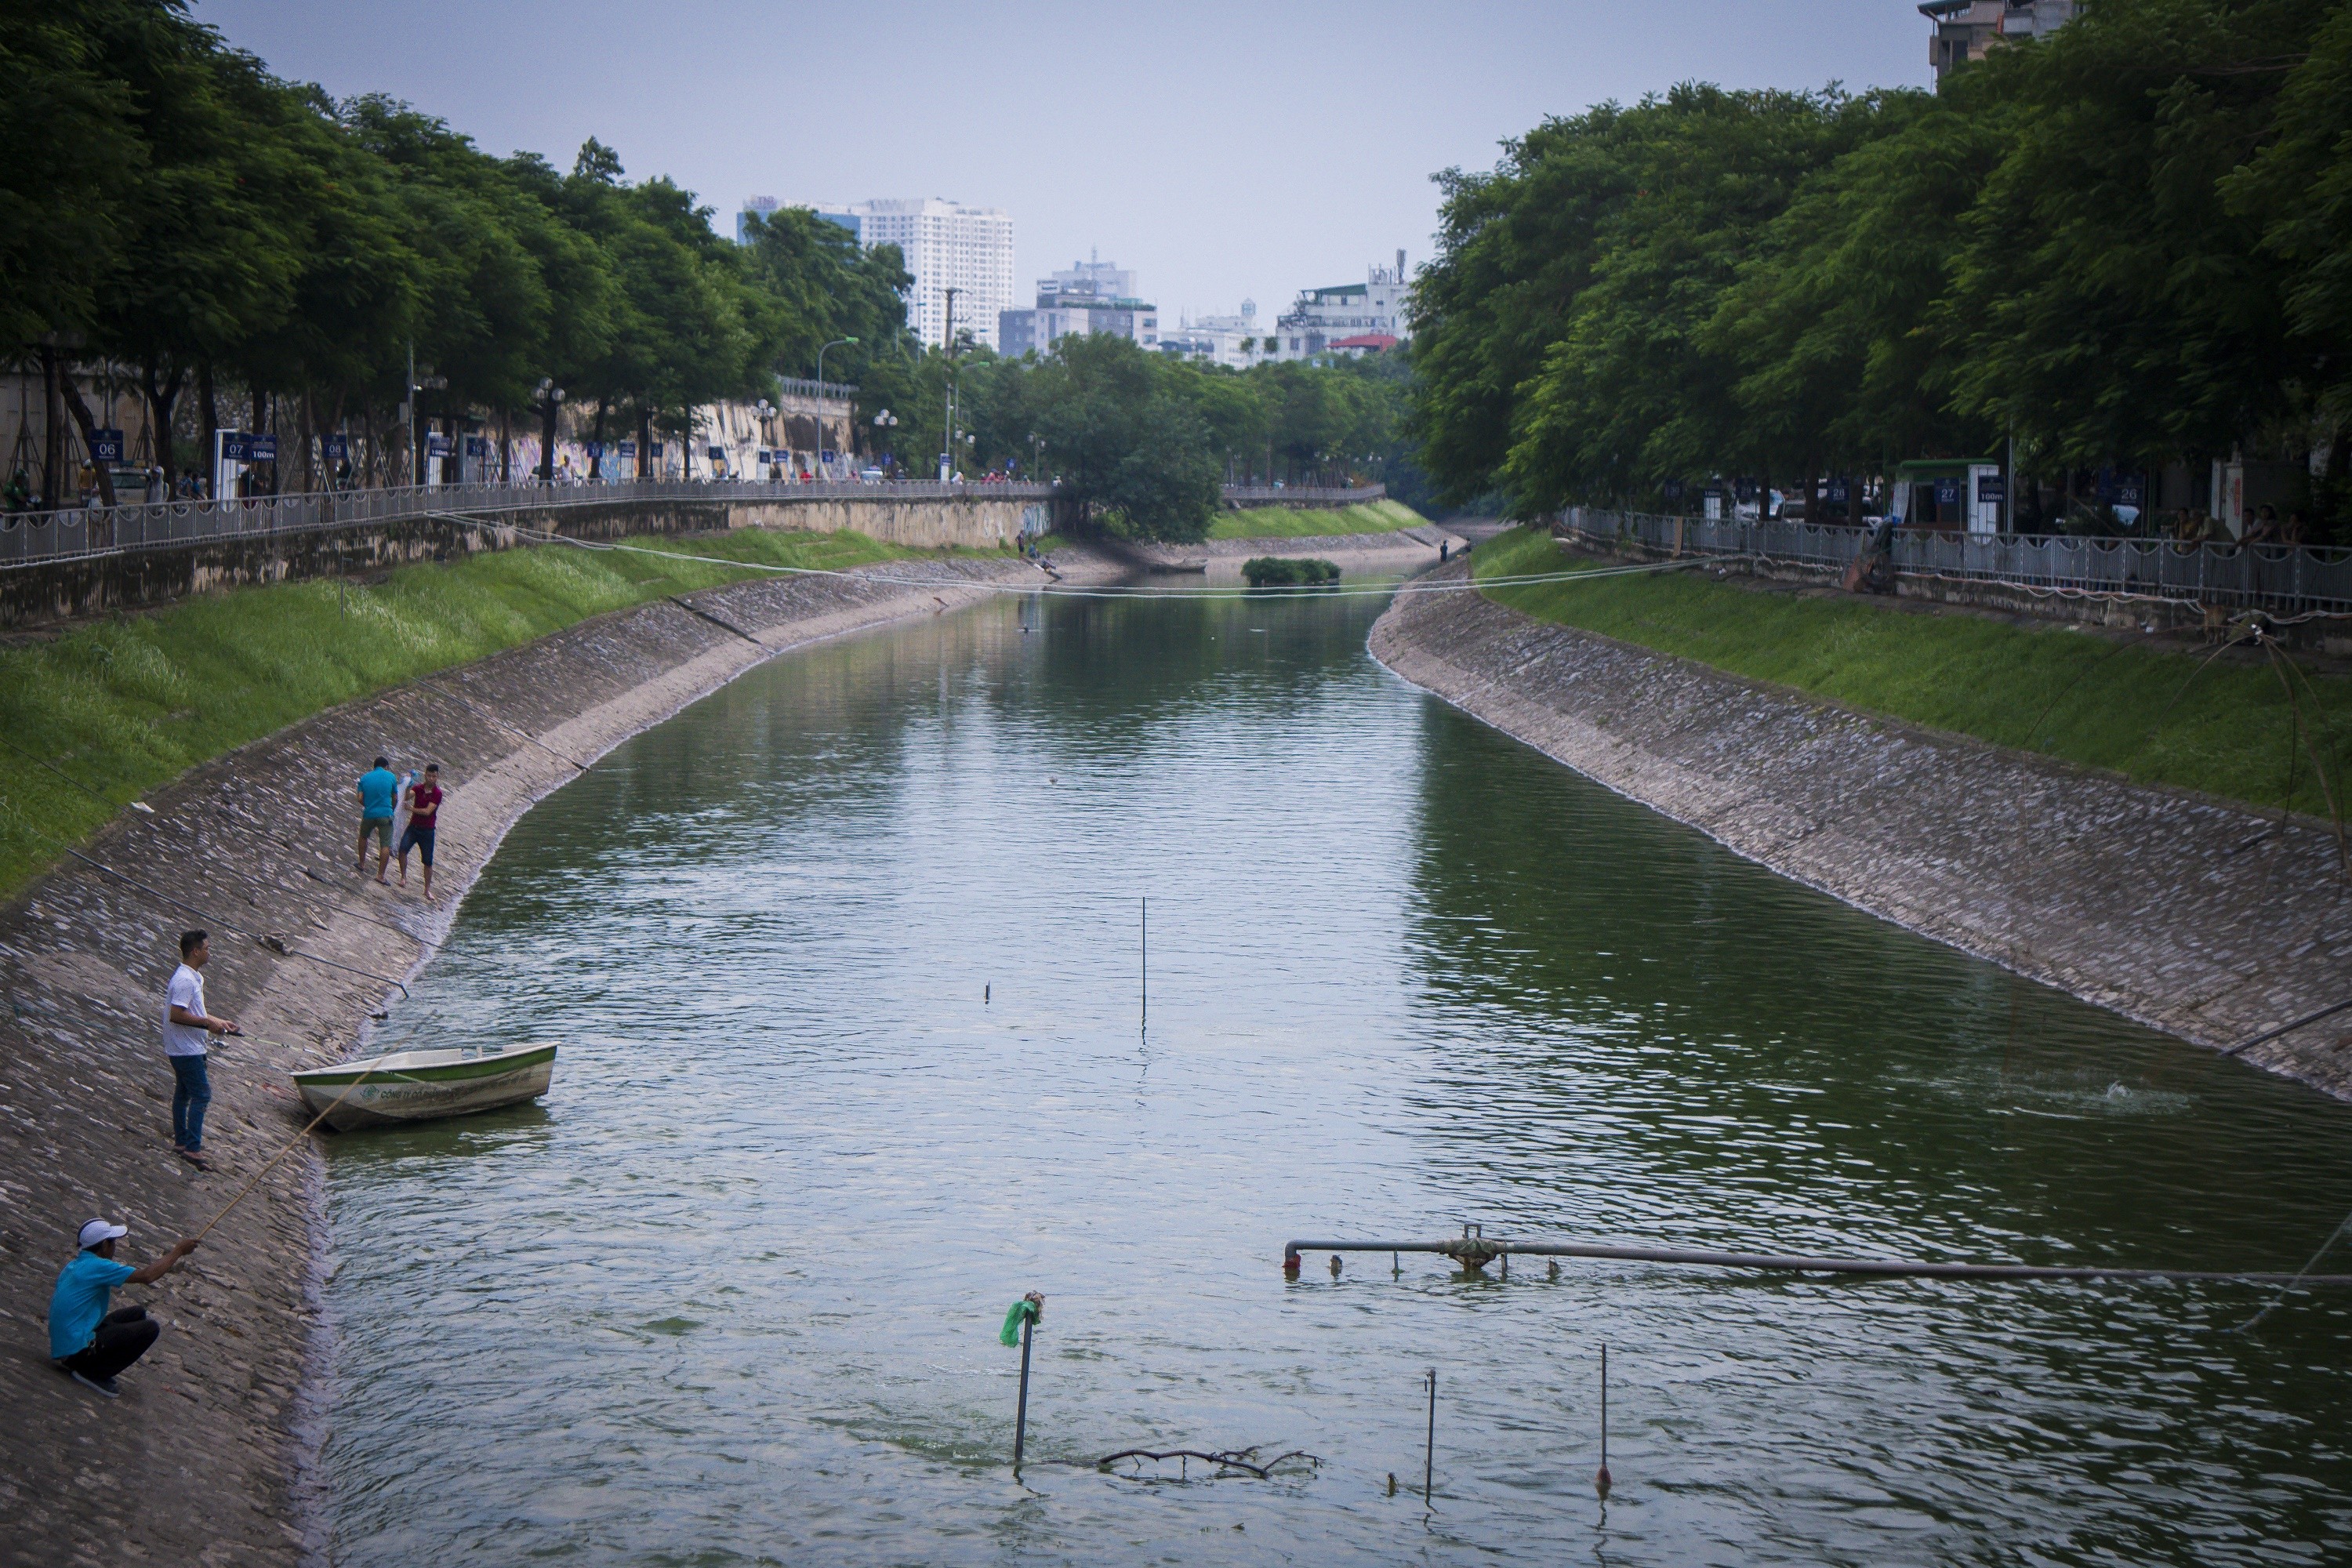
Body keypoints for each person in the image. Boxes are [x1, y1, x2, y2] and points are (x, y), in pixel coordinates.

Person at [49, 1218, 198, 1398]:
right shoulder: (98, 1266)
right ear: (105, 1245)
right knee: (150, 1328)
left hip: (68, 1344)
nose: (115, 1248)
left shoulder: (77, 1264)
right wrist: (178, 1252)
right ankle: (91, 1372)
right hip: (78, 1351)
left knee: (137, 1314)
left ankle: (90, 1364)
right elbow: (147, 1276)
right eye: (113, 1243)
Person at [165, 928, 238, 1167]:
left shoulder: (193, 977)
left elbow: (194, 1011)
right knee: (202, 1095)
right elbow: (176, 1014)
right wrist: (208, 1023)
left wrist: (218, 1021)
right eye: (207, 948)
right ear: (195, 951)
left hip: (186, 1047)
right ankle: (193, 1149)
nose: (210, 952)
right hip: (186, 1050)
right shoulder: (185, 980)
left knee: (183, 1094)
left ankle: (181, 1142)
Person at [397, 763, 444, 898]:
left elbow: (428, 811)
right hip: (414, 827)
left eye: (434, 776)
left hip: (428, 830)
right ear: (425, 775)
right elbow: (407, 796)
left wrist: (411, 809)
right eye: (429, 776)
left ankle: (427, 889)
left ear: (437, 777)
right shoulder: (418, 788)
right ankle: (403, 877)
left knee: (428, 861)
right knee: (402, 850)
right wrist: (407, 786)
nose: (431, 779)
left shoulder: (437, 793)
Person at [356, 755, 398, 880]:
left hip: (369, 813)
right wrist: (392, 809)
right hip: (386, 814)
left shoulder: (364, 778)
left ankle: (362, 864)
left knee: (363, 836)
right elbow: (395, 797)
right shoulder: (391, 776)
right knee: (385, 844)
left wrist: (369, 805)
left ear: (374, 767)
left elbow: (359, 798)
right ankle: (380, 876)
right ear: (387, 767)